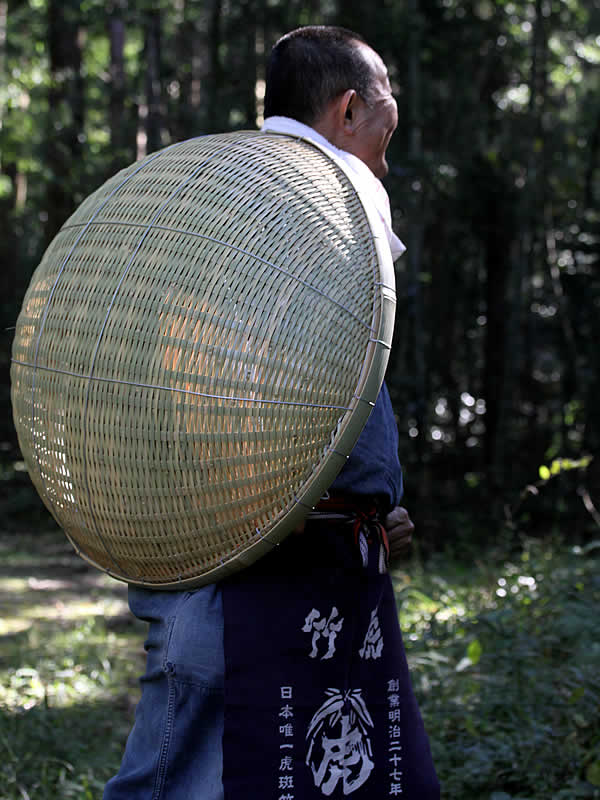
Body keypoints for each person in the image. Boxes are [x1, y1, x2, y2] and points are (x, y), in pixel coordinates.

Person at [104, 25, 440, 800]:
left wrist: (363, 504)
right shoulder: (295, 201)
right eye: (390, 97)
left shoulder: (274, 199)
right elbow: (207, 382)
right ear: (351, 108)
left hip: (314, 564)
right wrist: (286, 498)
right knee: (181, 775)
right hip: (236, 567)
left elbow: (313, 388)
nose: (399, 115)